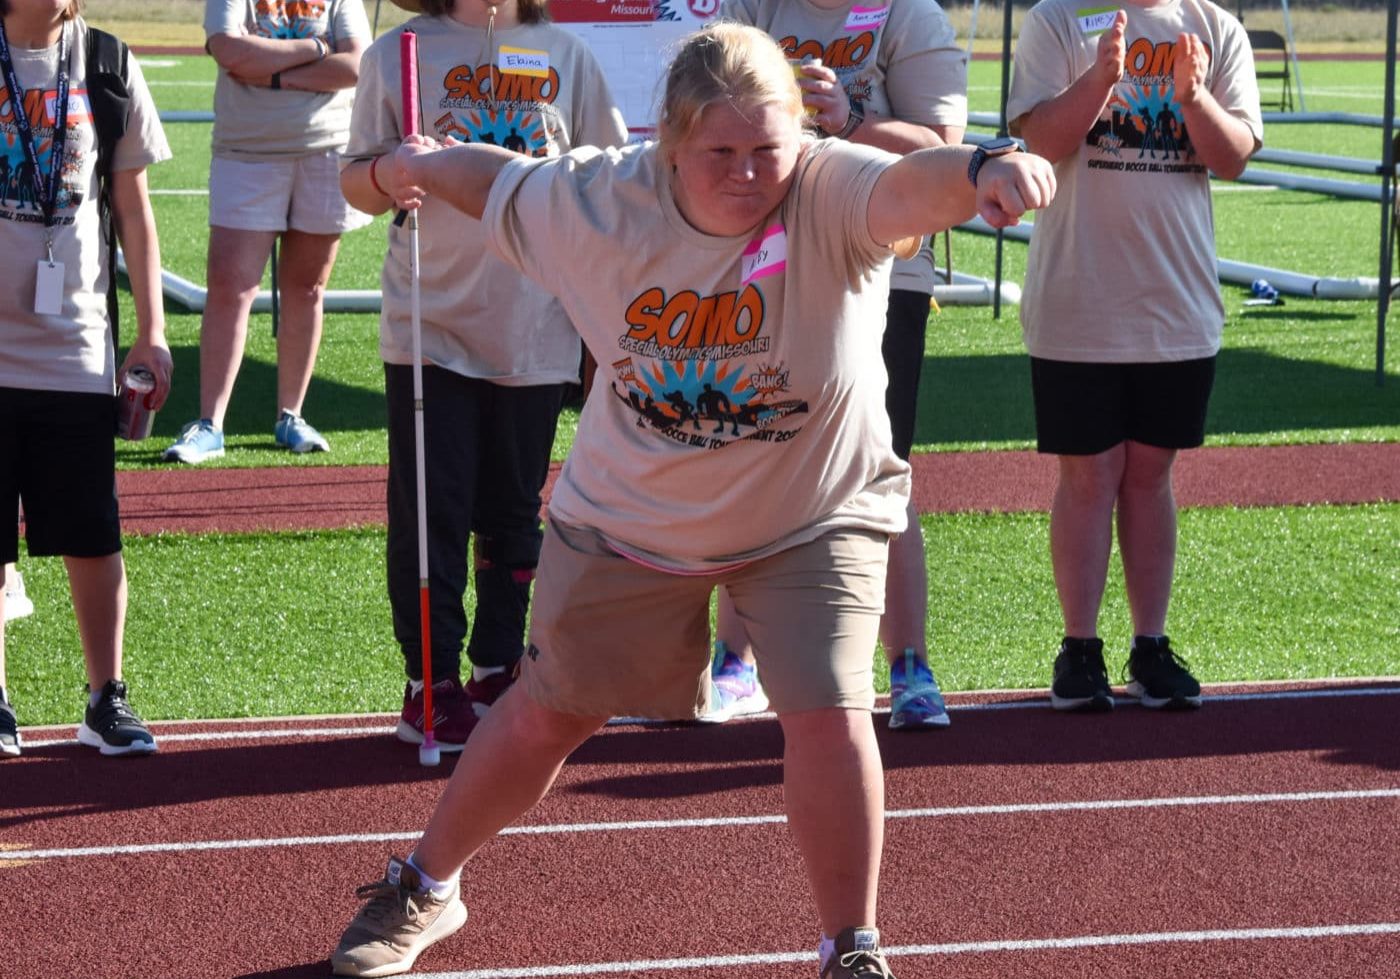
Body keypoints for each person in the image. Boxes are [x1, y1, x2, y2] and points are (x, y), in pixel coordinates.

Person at [329, 22, 1054, 978]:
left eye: (768, 149)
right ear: (668, 143)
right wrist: (400, 170)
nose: (749, 174)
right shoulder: (591, 202)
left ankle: (853, 944)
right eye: (721, 152)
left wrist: (991, 163)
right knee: (547, 707)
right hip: (633, 511)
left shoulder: (830, 187)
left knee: (831, 709)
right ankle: (427, 883)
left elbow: (913, 185)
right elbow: (481, 173)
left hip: (811, 508)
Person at [339, 0, 627, 751]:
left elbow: (612, 176)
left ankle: (498, 666)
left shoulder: (568, 55)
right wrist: (389, 170)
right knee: (432, 508)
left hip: (535, 324)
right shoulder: (395, 52)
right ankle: (427, 684)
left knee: (513, 513)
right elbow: (355, 183)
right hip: (430, 320)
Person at [704, 0, 967, 731]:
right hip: (760, 255)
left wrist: (849, 119)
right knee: (754, 447)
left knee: (882, 464)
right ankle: (735, 660)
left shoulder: (911, 16)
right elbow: (701, 112)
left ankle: (910, 663)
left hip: (878, 267)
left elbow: (944, 146)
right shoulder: (752, 7)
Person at [1006, 0, 1261, 711]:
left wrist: (1193, 96)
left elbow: (1233, 157)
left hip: (1174, 304)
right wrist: (1098, 81)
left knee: (1150, 474)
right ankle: (1078, 649)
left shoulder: (1215, 27)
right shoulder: (1057, 19)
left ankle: (1150, 646)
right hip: (1076, 300)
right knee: (1088, 476)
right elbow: (1041, 143)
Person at [0, 0, 172, 758]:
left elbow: (134, 210)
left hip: (76, 346)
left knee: (93, 533)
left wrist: (155, 330)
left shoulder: (106, 61)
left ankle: (106, 696)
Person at [163, 0, 372, 464]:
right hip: (247, 151)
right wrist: (315, 47)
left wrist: (274, 75)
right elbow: (228, 49)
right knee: (230, 287)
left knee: (308, 288)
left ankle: (291, 415)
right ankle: (210, 423)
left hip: (326, 148)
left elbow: (357, 62)